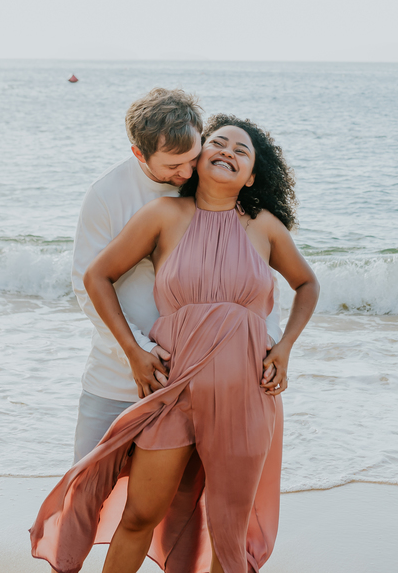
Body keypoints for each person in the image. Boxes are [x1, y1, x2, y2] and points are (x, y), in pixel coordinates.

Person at [33, 115, 320, 573]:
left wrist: (284, 348)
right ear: (199, 157)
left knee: (228, 526)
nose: (227, 151)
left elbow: (307, 284)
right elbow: (96, 276)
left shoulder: (264, 226)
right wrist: (134, 351)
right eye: (218, 143)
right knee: (141, 514)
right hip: (174, 391)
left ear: (251, 177)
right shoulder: (164, 215)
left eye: (241, 151)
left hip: (245, 396)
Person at [69, 90, 283, 463]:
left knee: (172, 509)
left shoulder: (209, 183)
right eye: (172, 167)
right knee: (84, 491)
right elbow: (86, 285)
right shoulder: (106, 195)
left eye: (191, 158)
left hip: (196, 382)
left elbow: (256, 275)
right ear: (139, 153)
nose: (185, 174)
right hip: (117, 375)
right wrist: (136, 353)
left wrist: (270, 342)